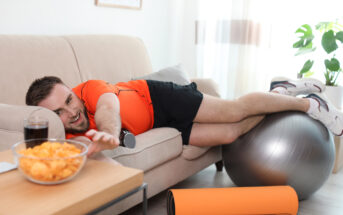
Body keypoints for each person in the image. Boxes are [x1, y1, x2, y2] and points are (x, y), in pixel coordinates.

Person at [25, 76, 343, 157]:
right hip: (162, 124)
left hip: (159, 97)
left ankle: (312, 105)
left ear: (73, 90)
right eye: (60, 113)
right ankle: (280, 92)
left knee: (234, 109)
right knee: (231, 133)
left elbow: (109, 110)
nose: (72, 112)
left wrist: (109, 133)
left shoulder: (92, 89)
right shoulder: (59, 133)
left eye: (69, 100)